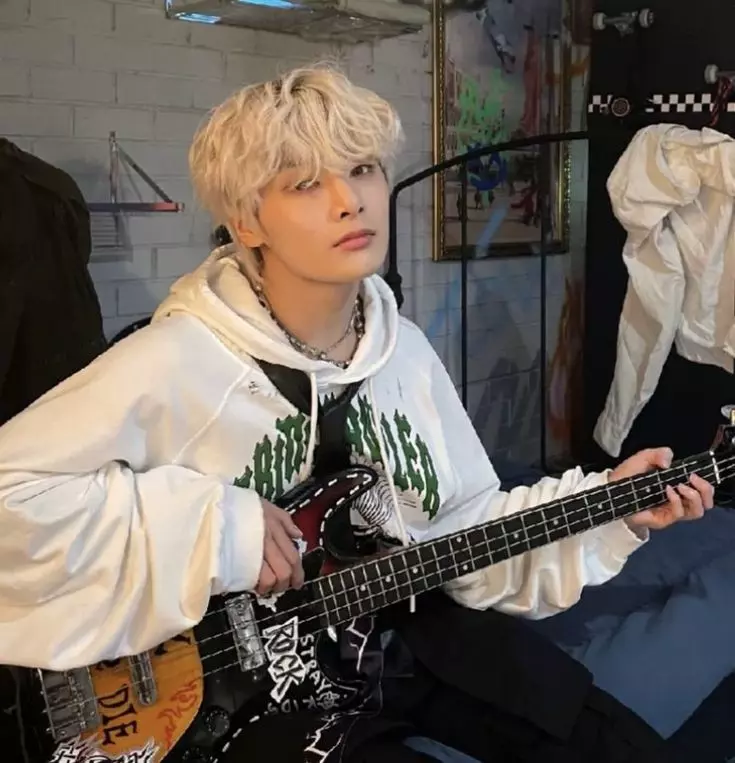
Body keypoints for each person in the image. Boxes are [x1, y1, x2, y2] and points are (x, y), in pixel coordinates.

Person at [0, 64, 714, 763]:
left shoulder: (404, 350)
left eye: (363, 169)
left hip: (394, 627)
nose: (351, 201)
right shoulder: (174, 359)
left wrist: (610, 504)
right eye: (305, 183)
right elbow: (13, 492)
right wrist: (213, 526)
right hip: (234, 691)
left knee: (602, 737)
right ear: (246, 219)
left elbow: (463, 520)